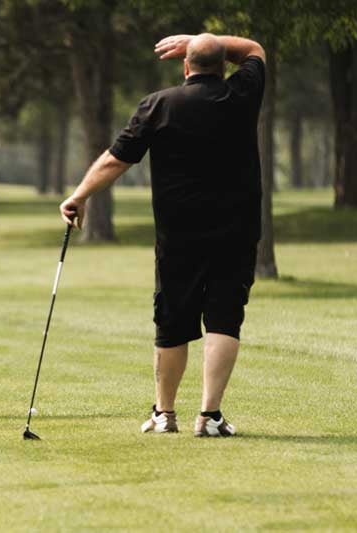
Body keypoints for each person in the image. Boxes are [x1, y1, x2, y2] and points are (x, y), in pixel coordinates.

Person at [59, 33, 266, 437]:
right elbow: (255, 49)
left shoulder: (159, 105)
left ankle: (164, 414)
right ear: (223, 67)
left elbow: (116, 160)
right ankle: (209, 417)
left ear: (185, 67)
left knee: (172, 322)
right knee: (225, 319)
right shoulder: (243, 93)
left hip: (179, 235)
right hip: (237, 232)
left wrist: (79, 195)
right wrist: (204, 40)